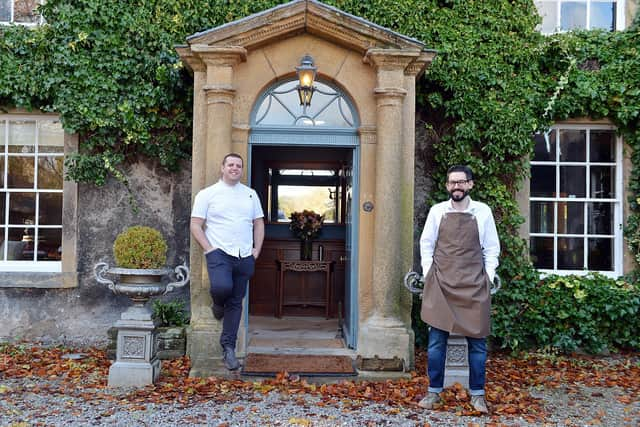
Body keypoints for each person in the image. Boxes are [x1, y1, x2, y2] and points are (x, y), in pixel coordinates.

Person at [418, 165, 500, 414]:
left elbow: (491, 248)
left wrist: (487, 277)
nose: (457, 186)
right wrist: (428, 275)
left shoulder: (483, 212)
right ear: (447, 186)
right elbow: (426, 244)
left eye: (461, 182)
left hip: (474, 286)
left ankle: (477, 395)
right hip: (441, 285)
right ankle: (433, 393)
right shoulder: (437, 211)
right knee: (435, 344)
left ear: (470, 185)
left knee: (477, 344)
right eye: (452, 182)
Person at [190, 153, 265, 370]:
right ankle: (217, 304)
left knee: (236, 302)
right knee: (222, 287)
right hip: (219, 252)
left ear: (242, 169)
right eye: (230, 165)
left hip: (244, 255)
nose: (235, 168)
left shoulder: (250, 195)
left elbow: (258, 223)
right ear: (222, 168)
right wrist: (210, 249)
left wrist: (256, 251)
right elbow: (196, 224)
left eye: (238, 166)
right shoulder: (207, 194)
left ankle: (229, 349)